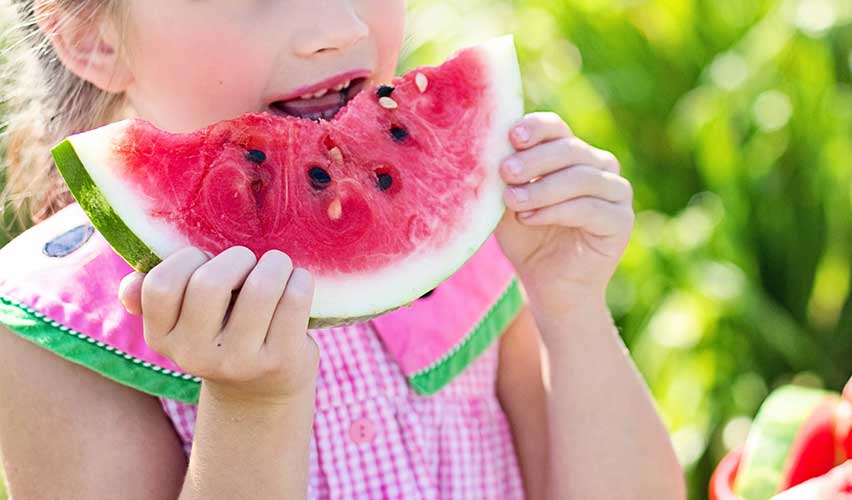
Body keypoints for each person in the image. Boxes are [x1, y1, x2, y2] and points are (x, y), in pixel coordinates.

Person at [0, 1, 684, 499]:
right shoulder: (56, 329)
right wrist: (250, 408)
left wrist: (572, 308)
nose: (341, 29)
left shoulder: (469, 238)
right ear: (89, 36)